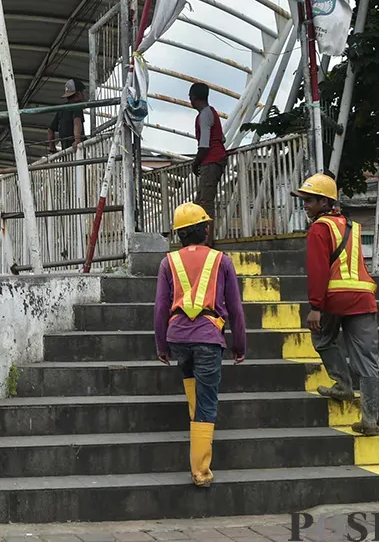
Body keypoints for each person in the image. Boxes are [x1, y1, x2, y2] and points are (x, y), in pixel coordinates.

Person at [154, 202, 247, 488]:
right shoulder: (222, 260)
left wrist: (161, 345)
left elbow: (160, 307)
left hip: (178, 336)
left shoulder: (168, 262)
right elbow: (235, 307)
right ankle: (201, 471)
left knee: (193, 387)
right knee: (207, 402)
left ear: (179, 233)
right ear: (204, 230)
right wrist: (239, 344)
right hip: (209, 337)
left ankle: (198, 435)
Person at [293, 172, 379, 436]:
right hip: (364, 295)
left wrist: (315, 307)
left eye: (310, 200)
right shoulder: (352, 226)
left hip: (335, 295)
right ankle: (370, 420)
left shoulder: (320, 228)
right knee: (367, 360)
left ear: (324, 202)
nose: (305, 205)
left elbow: (318, 270)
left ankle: (343, 385)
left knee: (322, 340)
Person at [189, 83, 228, 245]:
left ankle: (207, 241)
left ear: (194, 97)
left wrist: (195, 163)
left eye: (190, 96)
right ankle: (202, 238)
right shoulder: (212, 113)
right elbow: (222, 139)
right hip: (218, 158)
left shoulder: (204, 116)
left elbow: (204, 145)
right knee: (201, 201)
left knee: (205, 203)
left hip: (210, 160)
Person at [47, 78, 85, 153]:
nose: (84, 95)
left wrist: (52, 148)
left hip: (65, 151)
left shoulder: (61, 109)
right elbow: (77, 122)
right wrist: (77, 140)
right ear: (78, 93)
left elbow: (50, 130)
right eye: (83, 92)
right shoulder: (77, 106)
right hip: (75, 150)